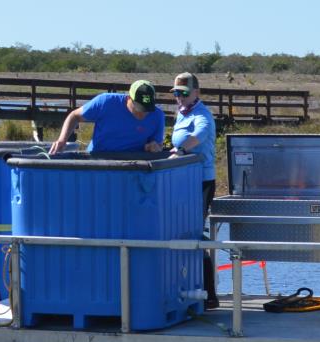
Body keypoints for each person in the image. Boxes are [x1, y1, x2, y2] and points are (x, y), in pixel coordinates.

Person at [169, 72, 219, 309]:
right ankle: (186, 288)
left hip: (201, 182)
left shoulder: (203, 115)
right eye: (176, 93)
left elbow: (198, 136)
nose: (179, 97)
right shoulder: (181, 113)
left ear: (196, 93)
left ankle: (209, 293)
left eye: (183, 93)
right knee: (181, 231)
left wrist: (179, 150)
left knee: (195, 233)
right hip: (183, 180)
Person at [47, 80, 165, 156]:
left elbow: (157, 145)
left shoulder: (158, 115)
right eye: (139, 108)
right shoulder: (105, 102)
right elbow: (75, 116)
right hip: (98, 159)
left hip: (133, 165)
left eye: (147, 109)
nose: (142, 113)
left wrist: (154, 147)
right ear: (129, 98)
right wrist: (62, 140)